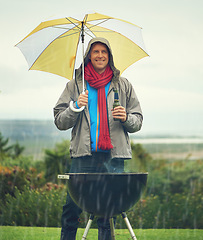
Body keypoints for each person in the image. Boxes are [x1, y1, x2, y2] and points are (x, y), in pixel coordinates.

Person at [54, 37, 143, 240]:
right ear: (89, 56)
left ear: (109, 56)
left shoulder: (123, 85)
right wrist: (74, 106)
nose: (100, 55)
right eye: (96, 52)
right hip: (83, 156)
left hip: (113, 157)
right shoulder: (75, 85)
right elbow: (60, 121)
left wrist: (126, 118)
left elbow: (138, 121)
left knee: (106, 213)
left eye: (104, 52)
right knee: (71, 209)